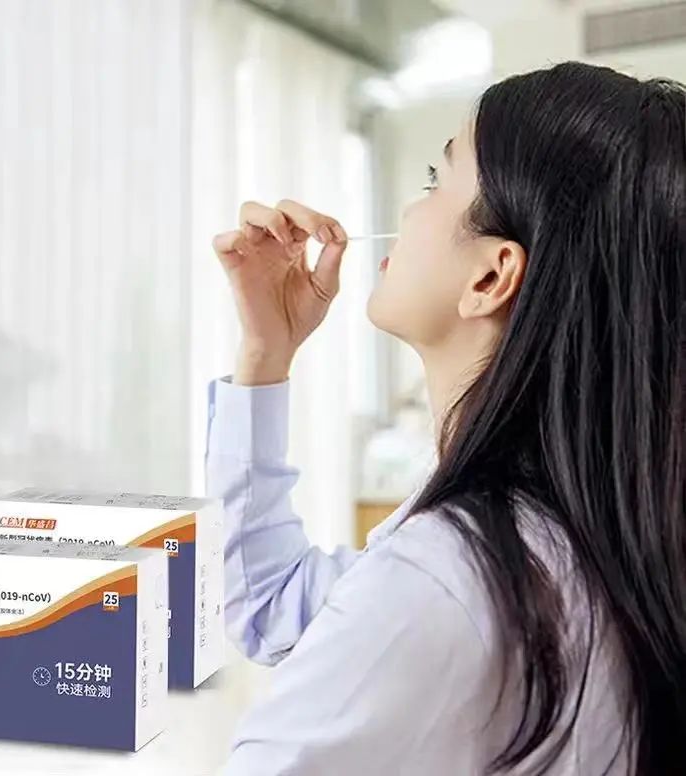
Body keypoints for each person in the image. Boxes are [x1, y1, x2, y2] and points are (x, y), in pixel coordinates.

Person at [206, 61, 685, 775]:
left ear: (490, 276)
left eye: (437, 179)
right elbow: (273, 606)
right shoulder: (586, 539)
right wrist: (264, 352)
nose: (409, 209)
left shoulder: (445, 580)